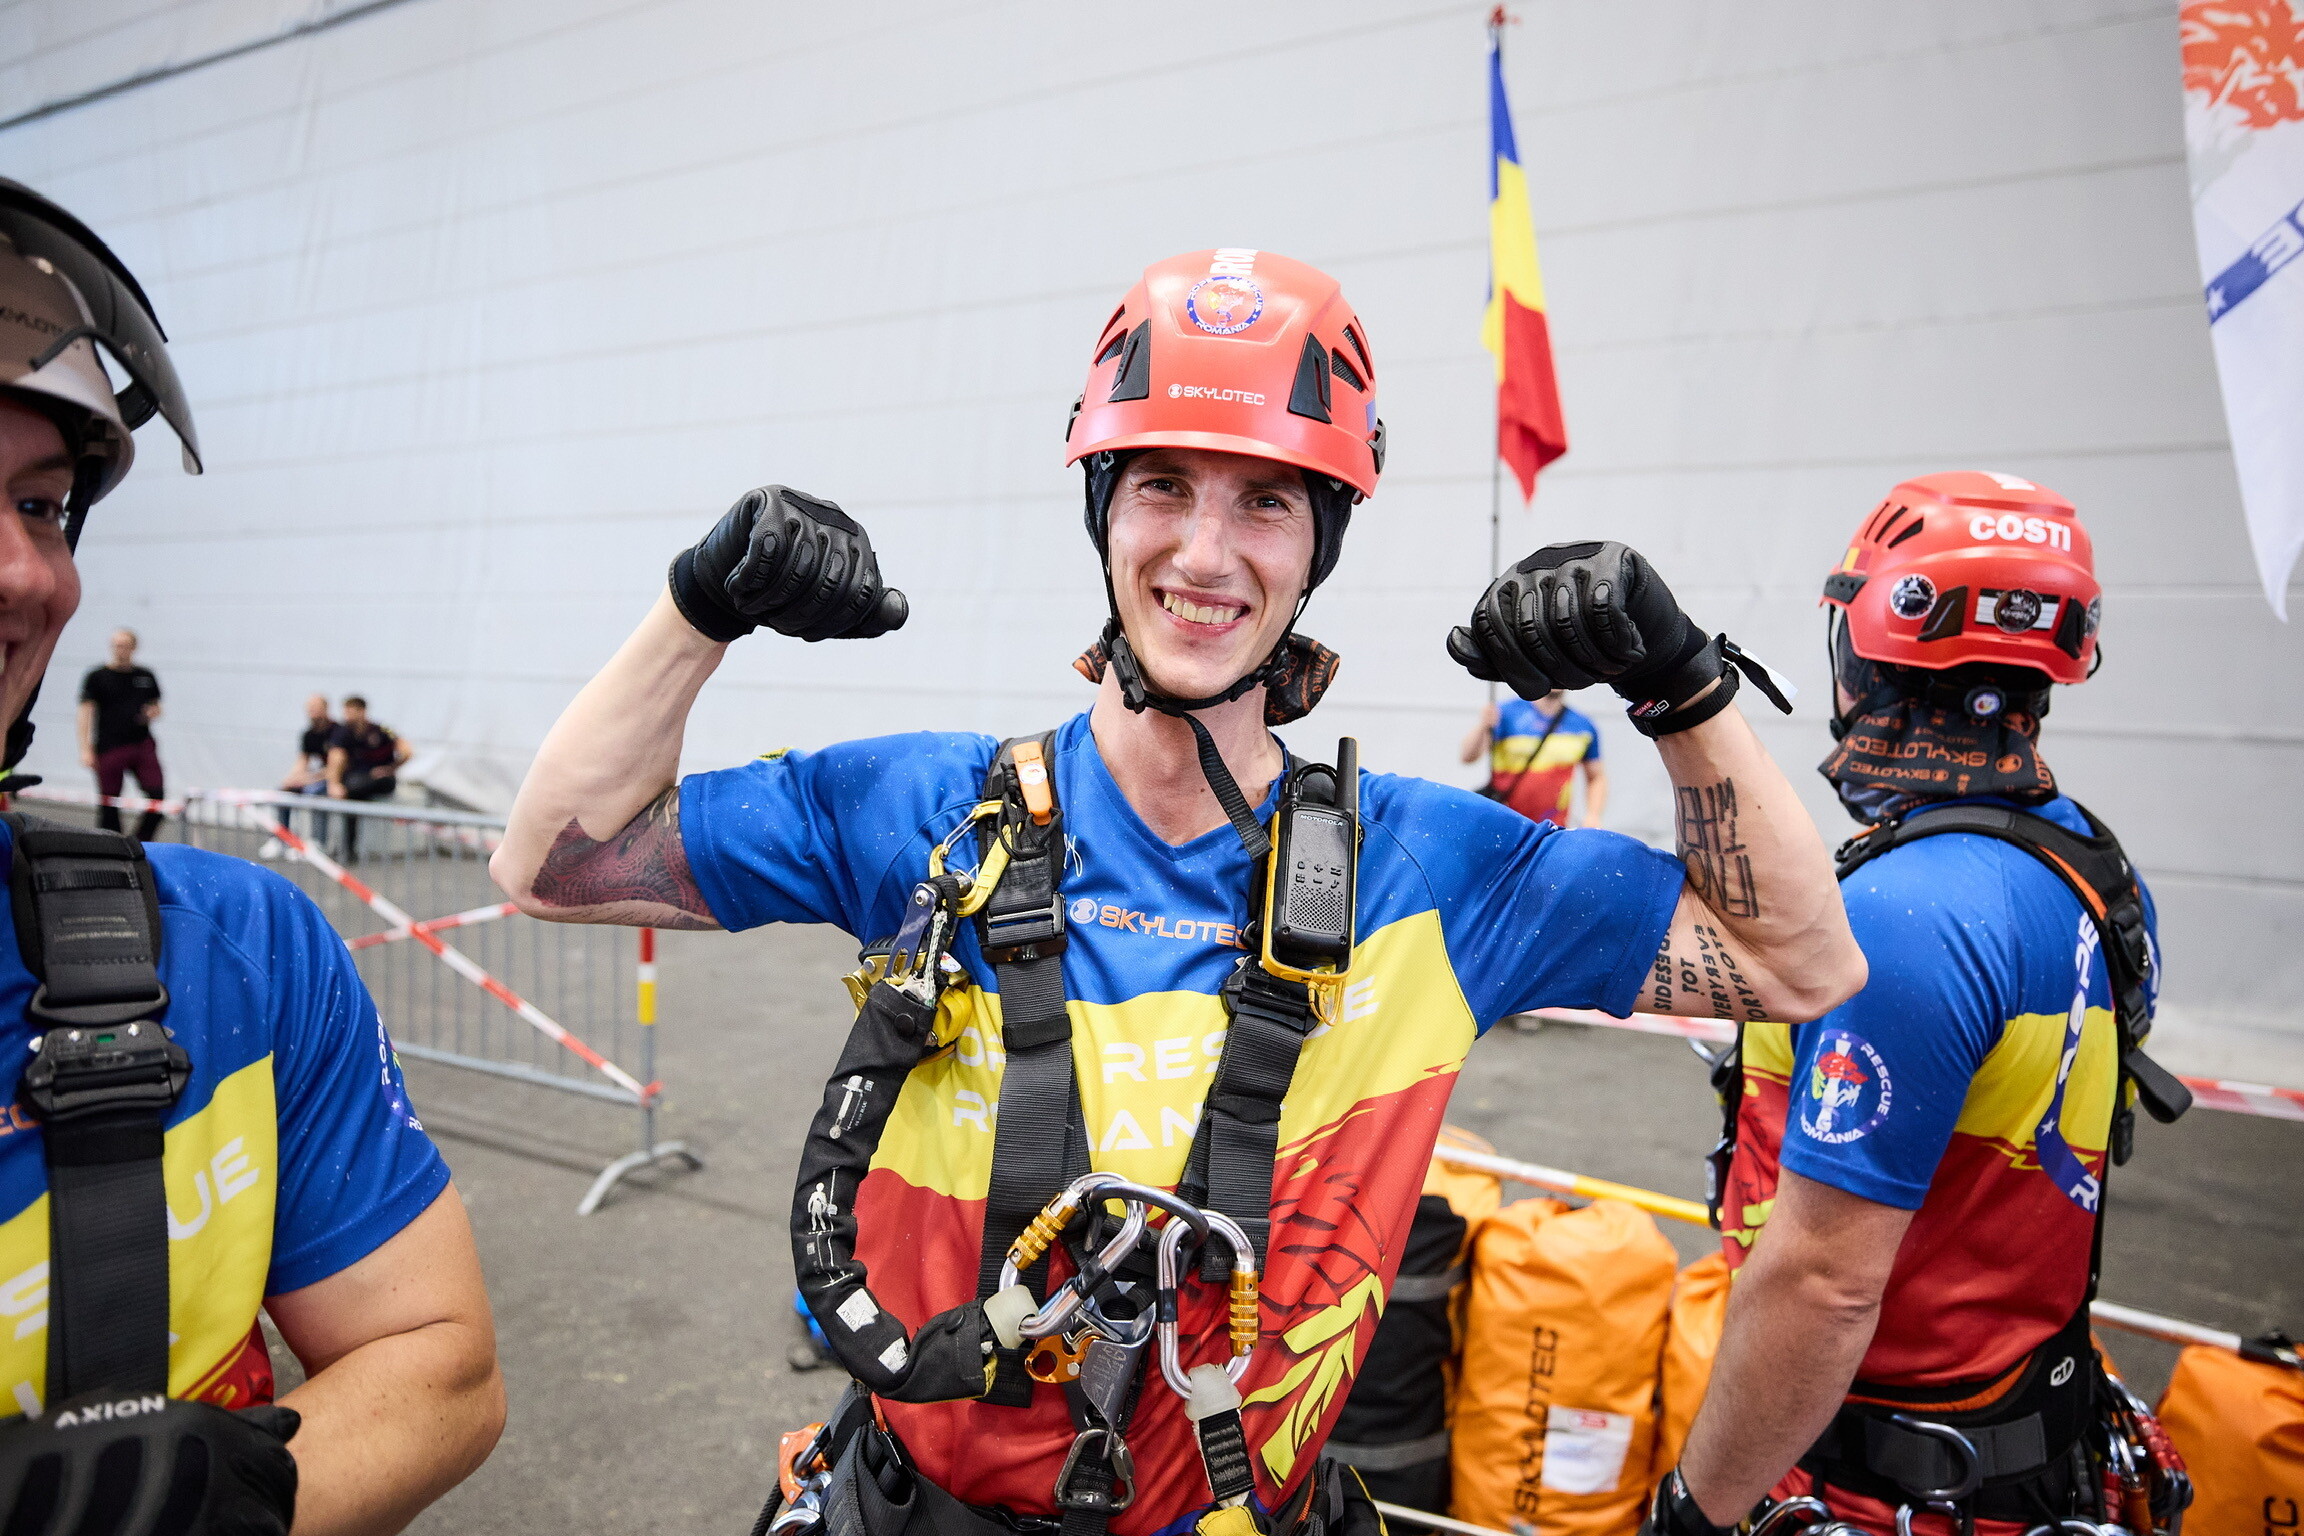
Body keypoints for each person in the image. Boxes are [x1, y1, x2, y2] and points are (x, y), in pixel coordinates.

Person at [492, 248, 1865, 1536]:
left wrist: (1680, 687)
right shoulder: (924, 809)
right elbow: (555, 861)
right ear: (1102, 507)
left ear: (1321, 543)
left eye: (1265, 500)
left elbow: (1799, 965)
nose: (1205, 556)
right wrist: (700, 608)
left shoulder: (1431, 872)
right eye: (1162, 486)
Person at [0, 178, 502, 1534]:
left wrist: (203, 1508)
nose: (25, 574)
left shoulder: (237, 951)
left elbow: (439, 1368)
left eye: (41, 504)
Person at [1645, 473, 2189, 1536]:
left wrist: (1697, 1509)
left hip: (1880, 1484)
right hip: (2028, 1441)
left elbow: (1824, 1285)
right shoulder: (2090, 866)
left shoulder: (1904, 915)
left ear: (1867, 649)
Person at [1459, 688, 1608, 826]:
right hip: (1505, 822)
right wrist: (1483, 726)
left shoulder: (1582, 725)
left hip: (1552, 827)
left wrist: (1593, 815)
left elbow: (1596, 777)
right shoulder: (1505, 713)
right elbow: (1468, 756)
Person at [76, 625, 166, 839]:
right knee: (109, 803)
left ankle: (139, 843)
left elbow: (156, 706)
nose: (120, 650)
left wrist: (152, 713)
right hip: (110, 745)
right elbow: (85, 712)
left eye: (125, 646)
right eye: (117, 645)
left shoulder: (145, 676)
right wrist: (85, 748)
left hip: (140, 743)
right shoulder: (97, 676)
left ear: (133, 648)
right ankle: (112, 847)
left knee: (157, 796)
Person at [325, 695, 409, 862]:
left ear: (361, 711)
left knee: (351, 792)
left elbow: (407, 751)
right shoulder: (343, 732)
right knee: (352, 794)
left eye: (350, 712)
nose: (346, 716)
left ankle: (348, 849)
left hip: (381, 780)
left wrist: (391, 768)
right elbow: (335, 757)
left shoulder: (381, 729)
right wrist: (334, 784)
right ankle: (348, 850)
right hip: (358, 781)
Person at [259, 692, 335, 859]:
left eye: (315, 707)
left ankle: (317, 842)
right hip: (318, 776)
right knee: (284, 791)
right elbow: (302, 762)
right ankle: (282, 838)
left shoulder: (337, 732)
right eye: (309, 708)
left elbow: (336, 768)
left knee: (315, 792)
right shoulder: (309, 734)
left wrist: (310, 778)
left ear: (325, 709)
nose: (312, 711)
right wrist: (292, 779)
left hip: (335, 778)